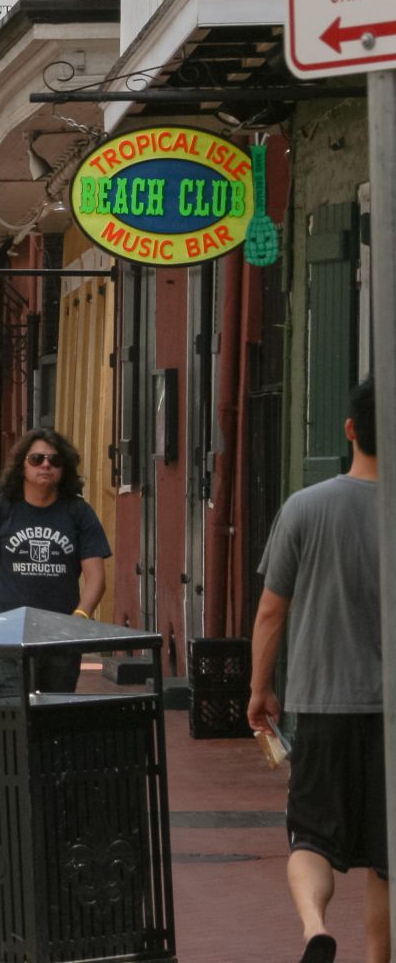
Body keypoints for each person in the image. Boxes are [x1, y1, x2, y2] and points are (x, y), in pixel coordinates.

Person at [248, 379, 386, 963]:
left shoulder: (304, 508)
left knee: (310, 838)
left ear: (350, 430)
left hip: (323, 705)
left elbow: (271, 612)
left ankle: (314, 929)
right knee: (387, 858)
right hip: (392, 717)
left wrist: (260, 688)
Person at [0, 429, 110, 696]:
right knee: (13, 716)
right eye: (37, 459)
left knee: (53, 721)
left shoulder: (78, 513)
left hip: (60, 639)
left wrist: (79, 618)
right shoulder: (1, 509)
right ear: (22, 464)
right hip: (8, 638)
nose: (46, 465)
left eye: (55, 460)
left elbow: (96, 577)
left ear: (64, 468)